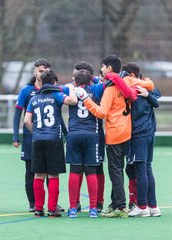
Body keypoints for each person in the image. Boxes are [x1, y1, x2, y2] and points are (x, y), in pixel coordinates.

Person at [74, 54, 154, 218]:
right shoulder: (127, 82)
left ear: (109, 69)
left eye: (102, 67)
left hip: (115, 134)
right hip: (126, 132)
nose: (101, 70)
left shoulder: (110, 89)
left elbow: (102, 113)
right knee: (118, 169)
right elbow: (149, 85)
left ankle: (120, 207)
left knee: (115, 171)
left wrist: (86, 99)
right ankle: (115, 202)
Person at [13, 58, 64, 212]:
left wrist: (66, 133)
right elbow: (18, 115)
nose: (43, 74)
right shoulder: (27, 91)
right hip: (31, 137)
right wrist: (16, 136)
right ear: (35, 71)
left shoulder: (55, 91)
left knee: (50, 171)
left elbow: (59, 116)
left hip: (47, 136)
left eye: (46, 71)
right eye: (41, 71)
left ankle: (51, 203)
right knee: (32, 171)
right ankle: (33, 203)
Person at [24, 70, 77, 217]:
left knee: (38, 175)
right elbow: (73, 101)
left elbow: (27, 120)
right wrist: (72, 89)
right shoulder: (57, 95)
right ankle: (52, 209)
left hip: (38, 140)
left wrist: (35, 132)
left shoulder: (34, 99)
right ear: (54, 82)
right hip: (54, 139)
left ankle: (38, 209)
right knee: (53, 175)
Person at [120, 63, 162, 217]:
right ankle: (153, 206)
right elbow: (156, 101)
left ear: (131, 76)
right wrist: (147, 94)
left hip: (138, 134)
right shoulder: (147, 88)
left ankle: (142, 206)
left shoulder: (131, 89)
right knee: (147, 168)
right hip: (150, 132)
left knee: (140, 169)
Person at [66, 69, 105, 218]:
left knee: (75, 171)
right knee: (91, 171)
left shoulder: (70, 89)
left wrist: (70, 86)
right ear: (90, 81)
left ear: (75, 81)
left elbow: (56, 87)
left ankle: (73, 208)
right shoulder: (95, 88)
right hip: (91, 135)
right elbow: (107, 83)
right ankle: (93, 208)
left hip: (74, 134)